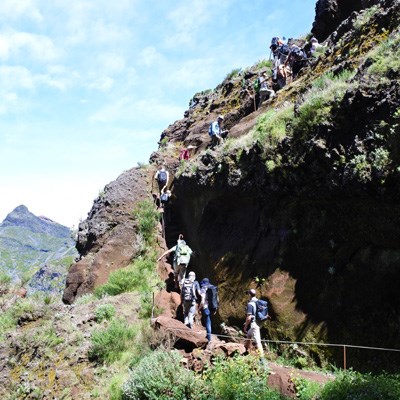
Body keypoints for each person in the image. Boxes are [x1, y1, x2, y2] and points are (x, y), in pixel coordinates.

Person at [243, 288, 265, 359]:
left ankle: (263, 361)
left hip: (254, 325)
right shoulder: (259, 301)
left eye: (248, 294)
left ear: (249, 294)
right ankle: (245, 350)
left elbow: (249, 318)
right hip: (259, 323)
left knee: (258, 342)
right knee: (249, 334)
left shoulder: (250, 304)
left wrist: (245, 326)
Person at [198, 278, 217, 342]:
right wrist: (215, 308)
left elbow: (202, 302)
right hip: (212, 307)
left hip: (206, 308)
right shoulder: (213, 288)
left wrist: (199, 309)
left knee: (207, 322)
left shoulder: (203, 289)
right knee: (209, 321)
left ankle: (209, 338)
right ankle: (208, 335)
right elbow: (217, 299)